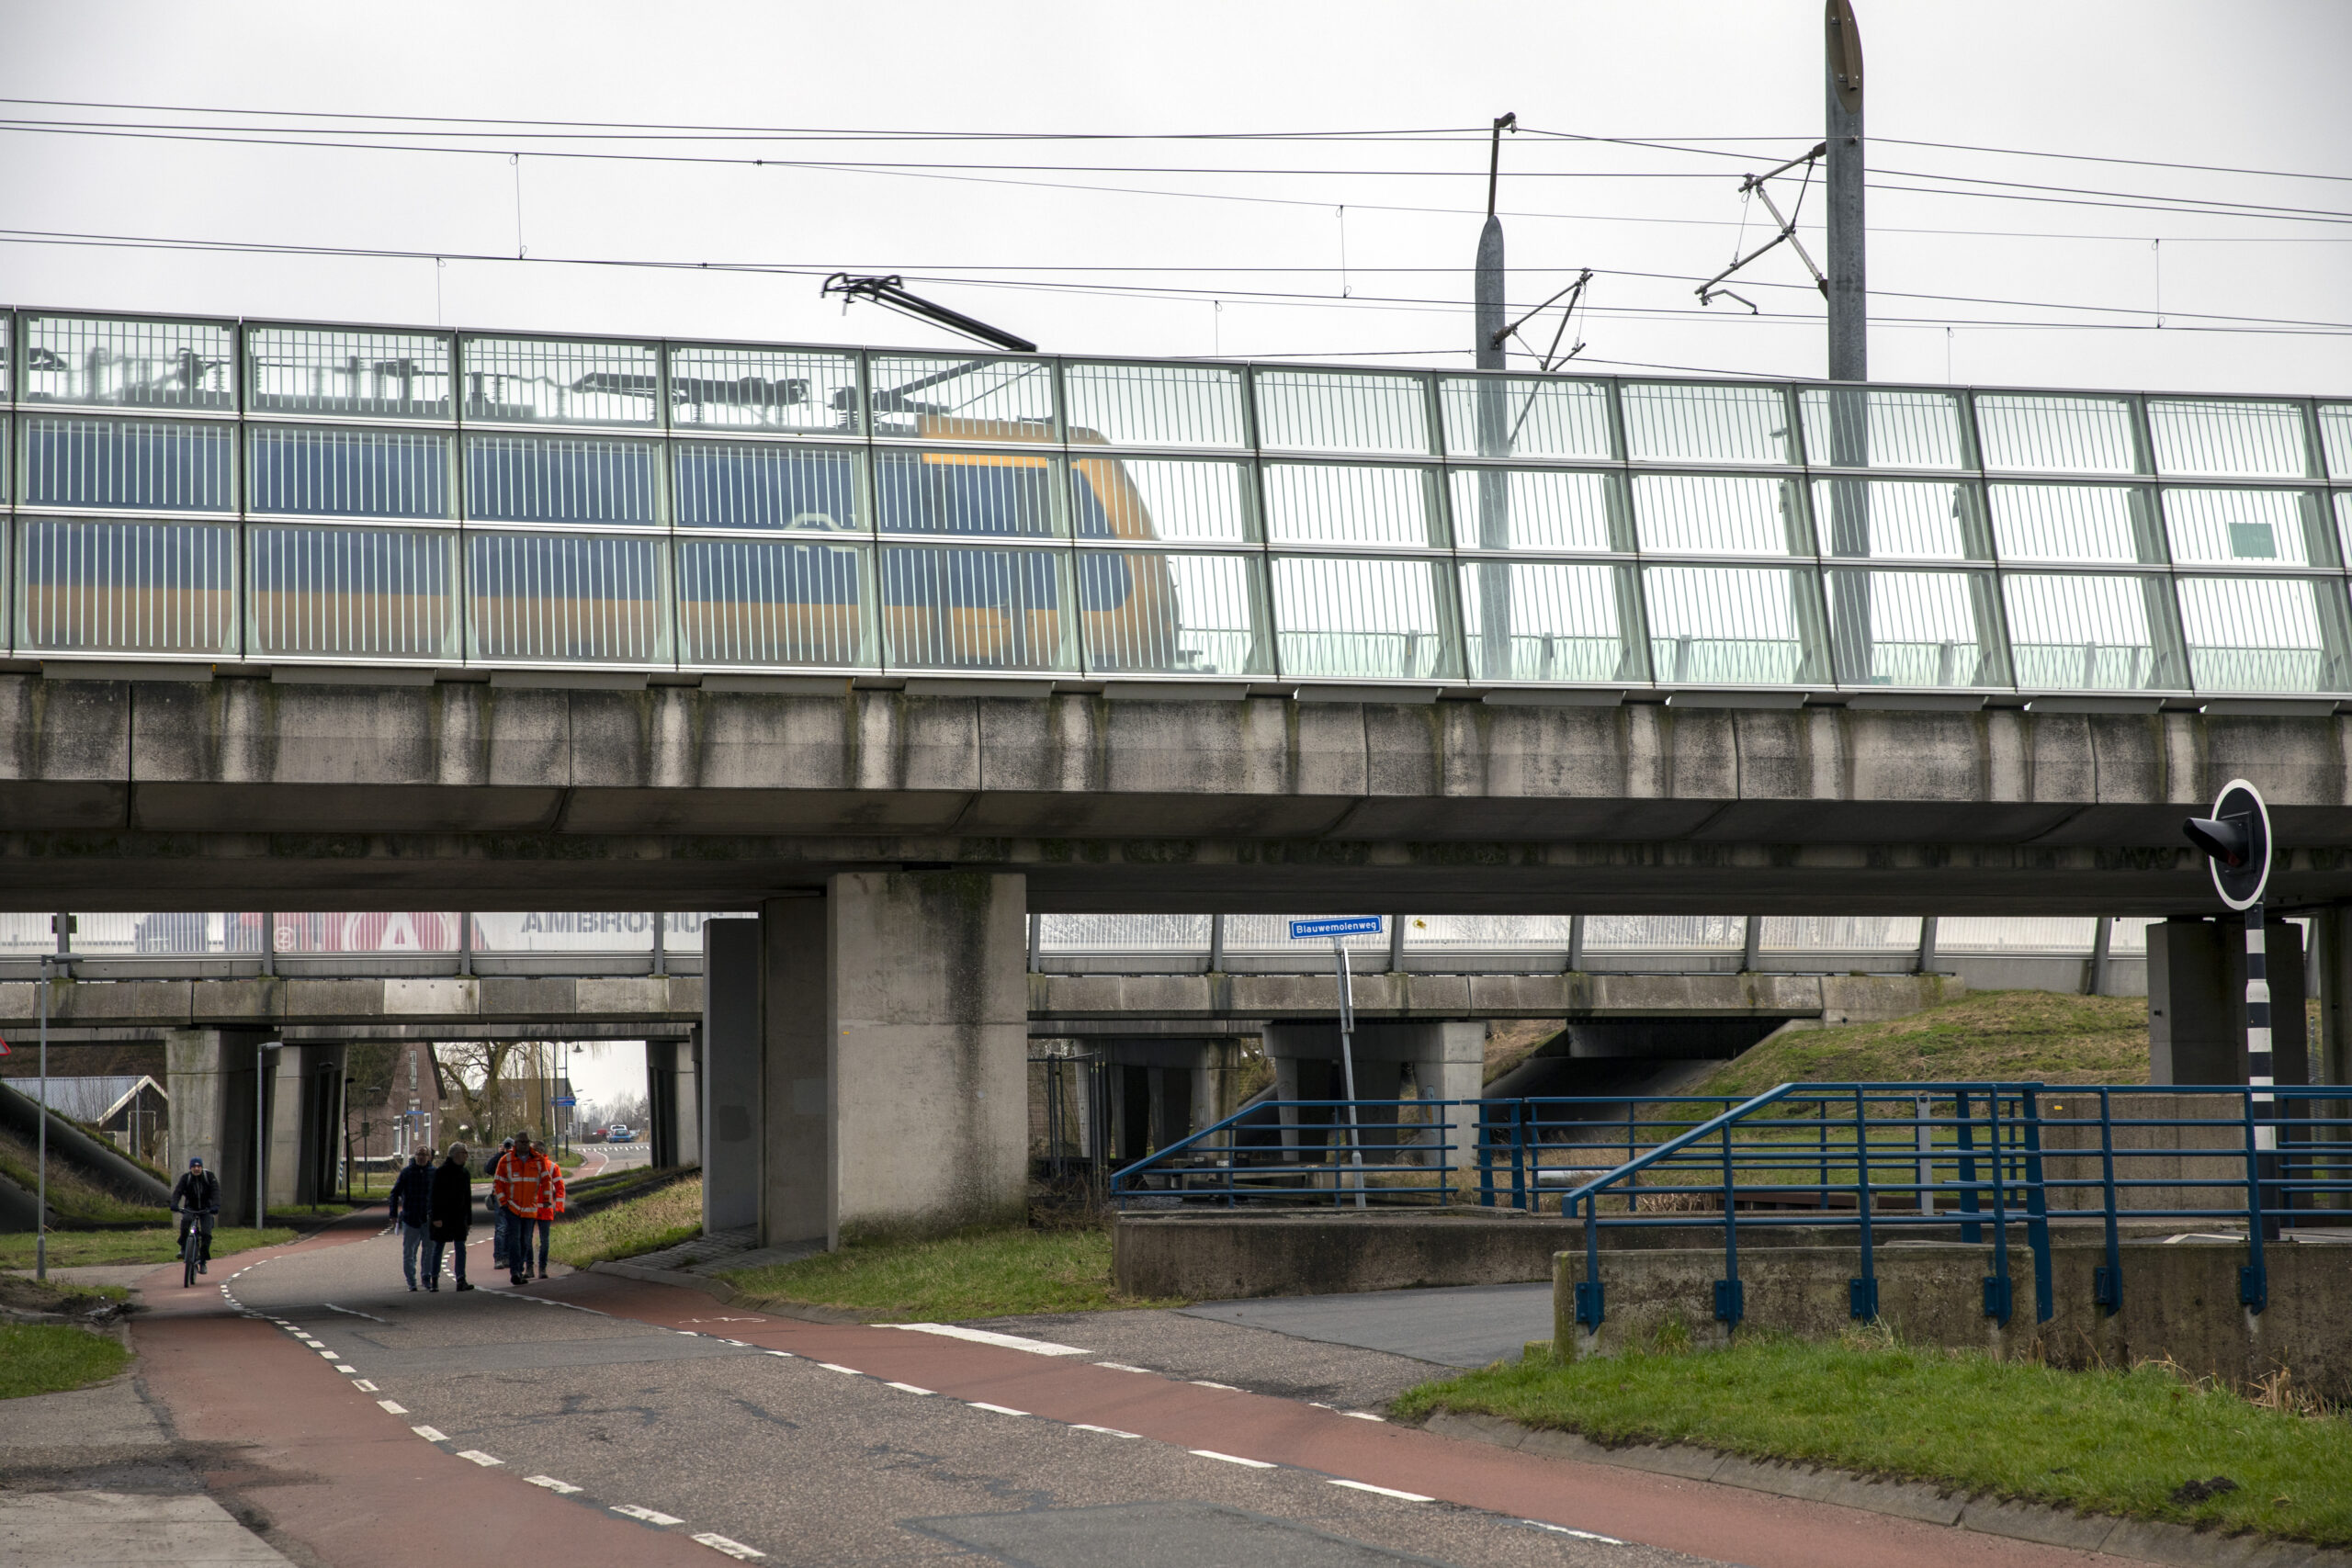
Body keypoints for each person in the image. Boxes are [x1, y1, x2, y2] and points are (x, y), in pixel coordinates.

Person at [500, 1133, 565, 1285]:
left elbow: (557, 1186)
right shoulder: (549, 1165)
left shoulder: (546, 1165)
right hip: (533, 1208)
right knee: (534, 1239)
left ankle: (531, 1268)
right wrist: (557, 1206)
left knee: (529, 1239)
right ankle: (539, 1269)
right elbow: (559, 1188)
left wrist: (556, 1204)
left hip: (533, 1207)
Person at [424, 1142, 476, 1292]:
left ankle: (461, 1279)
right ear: (455, 1155)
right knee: (438, 1247)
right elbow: (434, 1196)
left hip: (459, 1217)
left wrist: (469, 1220)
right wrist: (435, 1217)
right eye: (463, 1153)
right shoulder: (441, 1172)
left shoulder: (465, 1173)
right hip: (443, 1217)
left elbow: (468, 1198)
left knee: (460, 1247)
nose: (466, 1156)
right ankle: (434, 1279)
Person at [387, 1147, 434, 1292]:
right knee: (409, 1252)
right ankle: (411, 1281)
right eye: (419, 1154)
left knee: (429, 1250)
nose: (421, 1157)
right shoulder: (407, 1173)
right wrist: (393, 1214)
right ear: (415, 1156)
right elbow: (394, 1194)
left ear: (429, 1157)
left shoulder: (434, 1173)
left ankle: (426, 1277)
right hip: (410, 1217)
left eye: (424, 1155)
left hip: (428, 1218)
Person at [169, 1156, 220, 1272]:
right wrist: (174, 1204)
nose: (196, 1169)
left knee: (206, 1234)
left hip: (206, 1209)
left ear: (202, 1167)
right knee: (186, 1222)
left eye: (199, 1166)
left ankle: (203, 1261)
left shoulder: (209, 1177)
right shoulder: (186, 1178)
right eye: (194, 1167)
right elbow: (178, 1192)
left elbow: (216, 1192)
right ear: (190, 1168)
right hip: (191, 1208)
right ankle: (183, 1248)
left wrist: (215, 1206)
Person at [488, 1136, 517, 1270]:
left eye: (510, 1146)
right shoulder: (500, 1159)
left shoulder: (517, 1159)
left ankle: (508, 1257)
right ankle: (499, 1257)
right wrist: (499, 1154)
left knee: (512, 1228)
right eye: (507, 1147)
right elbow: (488, 1169)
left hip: (514, 1198)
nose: (508, 1149)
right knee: (501, 1228)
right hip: (500, 1197)